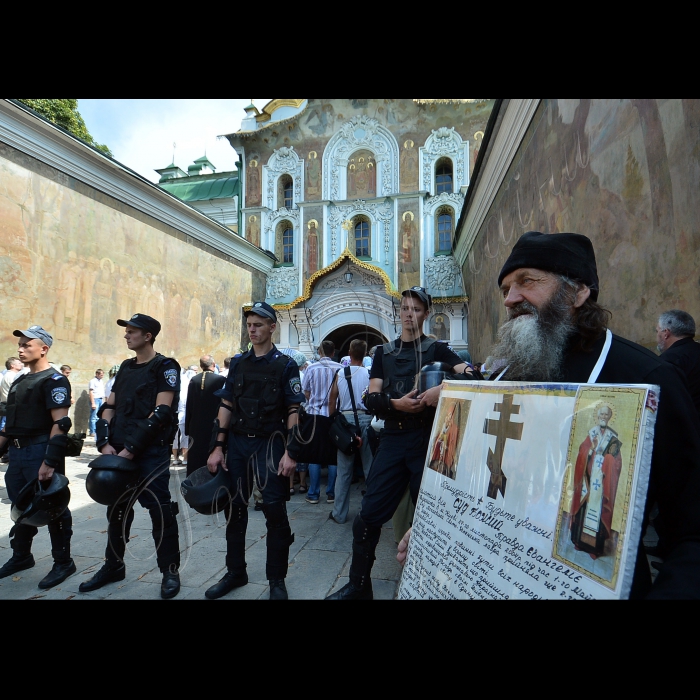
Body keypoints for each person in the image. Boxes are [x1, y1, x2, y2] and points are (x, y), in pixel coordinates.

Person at [398, 231, 700, 599]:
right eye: (506, 288)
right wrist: (438, 525)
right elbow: (477, 481)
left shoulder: (646, 380)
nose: (510, 299)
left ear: (579, 292)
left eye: (527, 281)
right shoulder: (504, 377)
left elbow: (691, 531)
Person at [327, 287, 470, 599]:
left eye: (416, 309)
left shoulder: (438, 349)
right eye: (405, 308)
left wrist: (442, 387)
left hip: (429, 441)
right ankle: (358, 586)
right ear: (399, 313)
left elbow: (470, 373)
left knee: (435, 516)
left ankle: (437, 587)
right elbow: (372, 398)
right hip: (393, 439)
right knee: (367, 516)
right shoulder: (385, 353)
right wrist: (396, 405)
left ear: (426, 314)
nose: (409, 314)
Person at [205, 301, 304, 600]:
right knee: (234, 510)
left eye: (259, 324)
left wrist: (291, 452)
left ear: (273, 327)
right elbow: (226, 405)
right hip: (237, 444)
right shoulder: (238, 363)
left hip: (270, 446)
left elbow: (294, 408)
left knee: (274, 510)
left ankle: (276, 579)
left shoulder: (286, 365)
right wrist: (216, 447)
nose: (253, 329)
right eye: (249, 324)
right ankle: (236, 571)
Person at [79, 313, 183, 599]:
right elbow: (108, 408)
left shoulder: (165, 367)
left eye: (132, 331)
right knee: (117, 510)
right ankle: (113, 565)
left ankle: (169, 571)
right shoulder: (124, 368)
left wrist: (131, 449)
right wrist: (104, 443)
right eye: (126, 331)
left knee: (160, 511)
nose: (126, 335)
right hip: (118, 452)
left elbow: (162, 412)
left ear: (147, 336)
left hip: (149, 453)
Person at [0, 326, 75, 588]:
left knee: (53, 507)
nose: (20, 349)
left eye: (26, 345)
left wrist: (50, 461)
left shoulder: (54, 381)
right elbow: (10, 425)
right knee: (20, 506)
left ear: (43, 348)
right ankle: (21, 556)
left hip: (41, 450)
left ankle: (63, 562)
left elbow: (61, 423)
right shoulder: (20, 380)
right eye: (19, 345)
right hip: (18, 453)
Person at [327, 339, 373, 524]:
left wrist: (333, 421)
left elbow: (332, 400)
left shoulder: (341, 373)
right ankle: (370, 511)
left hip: (346, 422)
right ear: (365, 353)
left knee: (344, 471)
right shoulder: (369, 374)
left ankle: (339, 513)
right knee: (370, 467)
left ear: (349, 352)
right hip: (366, 419)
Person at [302, 340, 342, 505]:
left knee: (314, 454)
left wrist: (314, 402)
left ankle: (313, 494)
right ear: (333, 352)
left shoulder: (311, 368)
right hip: (334, 416)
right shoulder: (340, 369)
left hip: (315, 416)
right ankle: (331, 493)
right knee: (333, 455)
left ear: (320, 352)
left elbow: (305, 391)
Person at [184, 354, 225, 476]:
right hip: (213, 426)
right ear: (213, 365)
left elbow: (189, 405)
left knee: (196, 456)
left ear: (201, 366)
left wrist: (187, 427)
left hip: (195, 426)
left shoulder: (194, 380)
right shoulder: (220, 380)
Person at [656, 309, 700, 419]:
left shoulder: (668, 359)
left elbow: (666, 400)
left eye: (657, 331)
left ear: (666, 333)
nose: (657, 336)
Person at [0, 357, 24, 432]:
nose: (21, 364)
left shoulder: (10, 375)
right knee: (5, 429)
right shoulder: (12, 376)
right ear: (12, 365)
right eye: (19, 363)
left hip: (8, 407)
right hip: (9, 407)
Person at [88, 368, 105, 437]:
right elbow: (91, 392)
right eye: (101, 375)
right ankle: (92, 431)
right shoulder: (93, 381)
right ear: (97, 374)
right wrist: (93, 403)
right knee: (94, 416)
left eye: (102, 375)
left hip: (101, 399)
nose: (102, 376)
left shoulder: (101, 381)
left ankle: (97, 431)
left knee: (98, 416)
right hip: (95, 399)